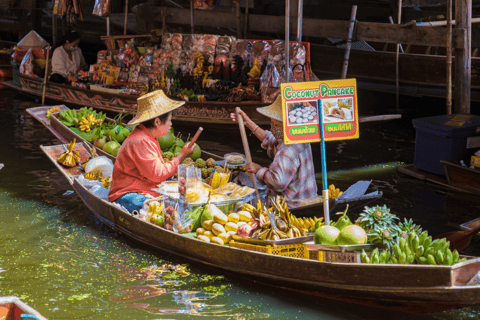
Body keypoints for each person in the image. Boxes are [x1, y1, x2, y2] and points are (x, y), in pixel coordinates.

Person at [108, 90, 196, 212]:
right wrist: (182, 155)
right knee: (157, 209)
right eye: (170, 120)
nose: (171, 124)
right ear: (157, 122)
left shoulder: (147, 136)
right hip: (127, 194)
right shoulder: (141, 140)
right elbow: (158, 174)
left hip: (145, 188)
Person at [230, 97, 318, 207]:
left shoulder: (289, 148)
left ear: (283, 126)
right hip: (308, 199)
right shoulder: (298, 135)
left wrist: (258, 169)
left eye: (275, 124)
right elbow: (271, 140)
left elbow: (277, 183)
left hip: (292, 206)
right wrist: (248, 123)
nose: (272, 127)